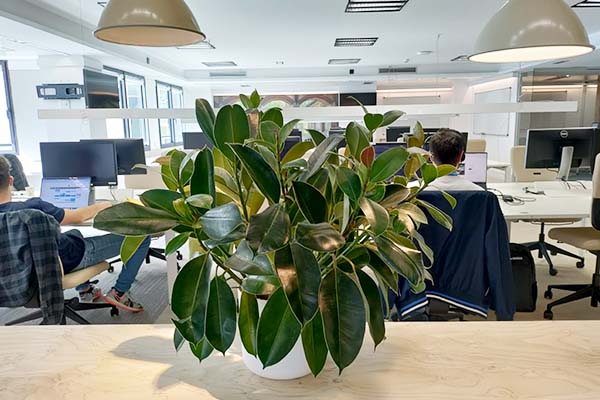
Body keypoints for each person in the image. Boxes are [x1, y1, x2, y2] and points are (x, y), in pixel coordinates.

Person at [0, 156, 149, 312]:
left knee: (75, 232)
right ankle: (119, 293)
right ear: (11, 181)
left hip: (21, 273)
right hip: (66, 260)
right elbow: (78, 216)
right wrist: (106, 205)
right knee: (141, 237)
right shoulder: (32, 209)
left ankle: (85, 289)